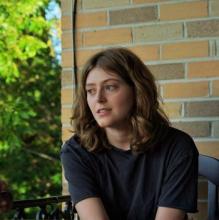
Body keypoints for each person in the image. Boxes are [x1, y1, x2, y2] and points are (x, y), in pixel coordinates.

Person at [61, 47, 198, 220]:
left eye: (110, 87)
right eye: (91, 91)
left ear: (137, 90)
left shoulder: (177, 146)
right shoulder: (76, 151)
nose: (98, 99)